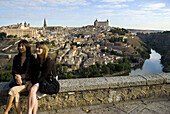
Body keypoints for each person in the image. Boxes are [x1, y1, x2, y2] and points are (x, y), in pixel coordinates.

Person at [4, 40, 38, 114]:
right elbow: (13, 70)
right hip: (17, 81)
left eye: (22, 46)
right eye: (19, 46)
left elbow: (34, 73)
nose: (20, 47)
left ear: (27, 47)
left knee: (12, 91)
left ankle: (6, 112)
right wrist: (17, 77)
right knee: (16, 97)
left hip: (27, 82)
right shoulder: (16, 57)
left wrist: (24, 76)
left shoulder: (31, 58)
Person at [27, 42, 56, 114]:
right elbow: (35, 73)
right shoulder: (37, 60)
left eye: (39, 48)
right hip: (42, 79)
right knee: (33, 94)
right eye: (37, 47)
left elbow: (44, 76)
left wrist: (32, 83)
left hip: (49, 80)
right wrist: (32, 81)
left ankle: (29, 112)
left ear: (44, 50)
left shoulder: (49, 61)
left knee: (32, 90)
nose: (37, 49)